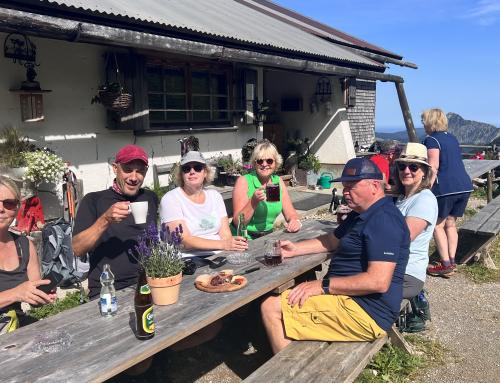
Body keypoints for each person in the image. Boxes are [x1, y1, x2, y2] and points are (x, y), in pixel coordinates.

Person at [260, 158, 410, 353]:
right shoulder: (361, 212)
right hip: (351, 299)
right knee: (296, 293)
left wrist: (322, 286)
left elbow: (378, 282)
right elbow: (332, 240)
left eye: (351, 186)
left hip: (365, 311)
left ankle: (288, 373)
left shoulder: (383, 220)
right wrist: (295, 249)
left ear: (374, 186)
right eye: (344, 186)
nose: (345, 192)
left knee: (270, 306)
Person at [72, 144, 159, 300]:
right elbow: (77, 248)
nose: (133, 177)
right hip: (109, 288)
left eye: (139, 171)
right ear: (115, 168)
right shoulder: (94, 200)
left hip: (149, 282)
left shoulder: (150, 198)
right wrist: (105, 219)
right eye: (128, 169)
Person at [160, 151, 248, 257]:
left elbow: (225, 235)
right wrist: (223, 244)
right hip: (188, 259)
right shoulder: (171, 199)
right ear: (181, 174)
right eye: (186, 169)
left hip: (219, 254)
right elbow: (184, 241)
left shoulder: (215, 196)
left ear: (205, 172)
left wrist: (230, 245)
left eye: (197, 168)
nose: (192, 172)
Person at [422, 108, 473, 277]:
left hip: (446, 188)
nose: (423, 125)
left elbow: (433, 165)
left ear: (430, 122)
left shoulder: (431, 140)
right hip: (464, 185)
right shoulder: (452, 138)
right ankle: (452, 260)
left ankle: (444, 264)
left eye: (424, 121)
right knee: (451, 224)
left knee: (437, 225)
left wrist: (426, 187)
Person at [0, 176, 56, 330]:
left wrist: (41, 295)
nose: (1, 209)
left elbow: (32, 297)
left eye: (8, 203)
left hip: (14, 329)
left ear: (17, 208)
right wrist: (16, 293)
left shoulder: (25, 245)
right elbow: (19, 293)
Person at [393, 143, 438, 299]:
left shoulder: (424, 200)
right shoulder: (402, 197)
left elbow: (402, 238)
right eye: (402, 166)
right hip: (393, 268)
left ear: (424, 172)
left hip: (406, 275)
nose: (406, 171)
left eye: (413, 167)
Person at [232, 140, 301, 239]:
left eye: (269, 161)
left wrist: (294, 221)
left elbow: (290, 212)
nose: (264, 164)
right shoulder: (244, 181)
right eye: (260, 161)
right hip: (244, 237)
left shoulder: (277, 182)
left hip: (268, 236)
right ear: (255, 164)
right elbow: (238, 222)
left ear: (275, 163)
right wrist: (253, 202)